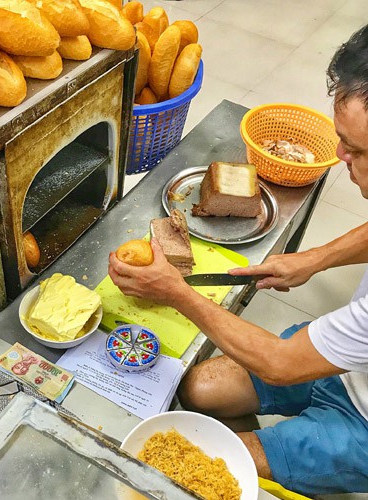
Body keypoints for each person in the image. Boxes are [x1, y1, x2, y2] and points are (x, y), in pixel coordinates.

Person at [108, 25, 368, 495]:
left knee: (200, 468)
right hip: (352, 369)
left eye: (357, 149)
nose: (339, 155)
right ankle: (281, 447)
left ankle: (296, 463)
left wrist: (175, 291)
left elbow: (281, 363)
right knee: (200, 388)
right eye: (341, 137)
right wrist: (313, 258)